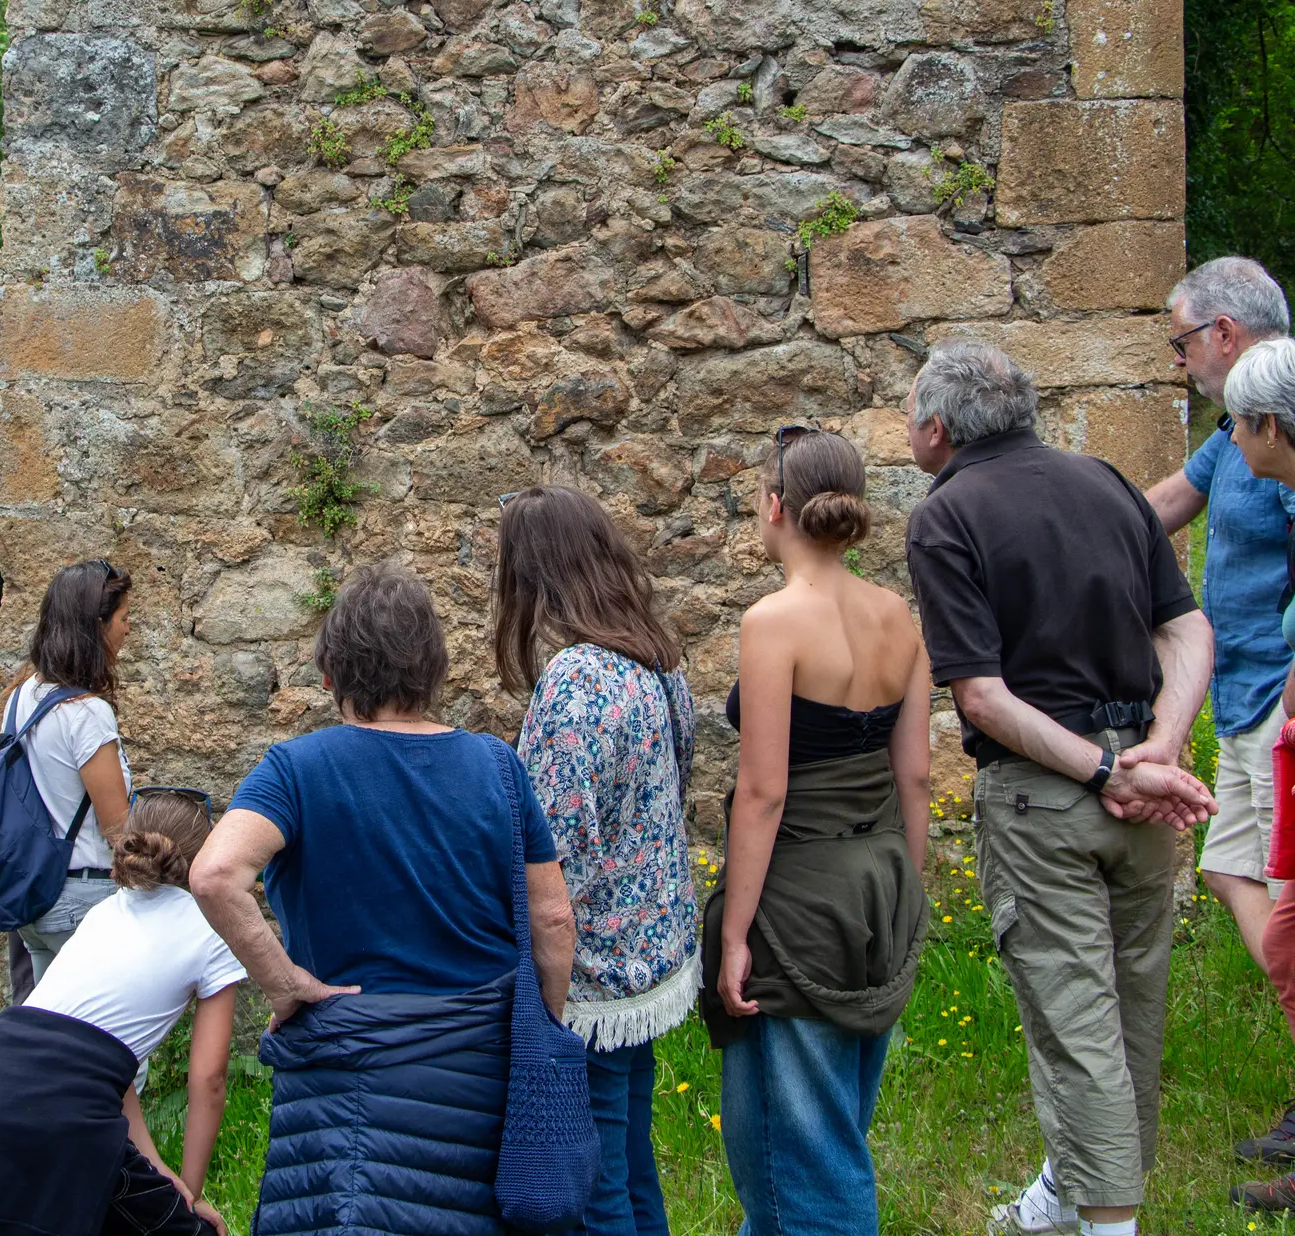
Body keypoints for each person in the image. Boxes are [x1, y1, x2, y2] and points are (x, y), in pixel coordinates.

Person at [902, 343, 1215, 1236]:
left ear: (937, 428)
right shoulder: (1105, 481)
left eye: (910, 411)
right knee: (1133, 1010)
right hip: (1141, 787)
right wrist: (1157, 749)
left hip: (1051, 795)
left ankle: (1108, 1225)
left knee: (1077, 1022)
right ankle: (1064, 1192)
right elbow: (1189, 629)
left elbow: (984, 698)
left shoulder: (947, 514)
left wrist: (1110, 769)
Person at [190, 562, 577, 1236]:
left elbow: (215, 874)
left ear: (329, 671)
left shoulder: (297, 768)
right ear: (433, 667)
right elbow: (552, 916)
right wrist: (536, 1028)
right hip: (479, 1077)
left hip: (345, 1075)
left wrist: (284, 987)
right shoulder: (497, 766)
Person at [700, 431, 931, 1235]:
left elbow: (763, 793)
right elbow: (917, 777)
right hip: (882, 886)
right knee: (833, 1131)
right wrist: (910, 892)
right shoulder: (898, 616)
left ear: (776, 509)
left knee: (804, 1163)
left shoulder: (773, 622)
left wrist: (735, 934)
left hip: (798, 901)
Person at [493, 486, 696, 1236]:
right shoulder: (655, 655)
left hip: (594, 973)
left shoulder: (579, 680)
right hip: (652, 955)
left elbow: (554, 852)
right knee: (630, 1157)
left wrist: (539, 988)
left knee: (596, 1182)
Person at [0, 790, 244, 1236]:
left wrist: (161, 1177)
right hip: (63, 1109)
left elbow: (105, 1067)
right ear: (205, 859)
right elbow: (209, 1079)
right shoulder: (213, 929)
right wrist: (190, 1198)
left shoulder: (105, 913)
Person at [1145, 260, 1294, 988]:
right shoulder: (1240, 426)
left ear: (1224, 332)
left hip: (1281, 696)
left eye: (1183, 344)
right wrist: (1077, 526)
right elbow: (1172, 499)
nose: (1180, 362)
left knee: (1289, 895)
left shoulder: (1279, 427)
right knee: (1231, 868)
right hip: (1242, 697)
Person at [1195, 336, 1295, 1212]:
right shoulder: (1252, 454)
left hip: (1279, 713)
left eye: (1241, 427)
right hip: (1255, 701)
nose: (1234, 443)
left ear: (1269, 425)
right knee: (1233, 869)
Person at [4, 558, 134, 982]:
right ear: (97, 626)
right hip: (82, 898)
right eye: (123, 618)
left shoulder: (23, 696)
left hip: (34, 896)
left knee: (54, 1033)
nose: (127, 630)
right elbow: (117, 830)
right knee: (109, 1041)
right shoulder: (87, 714)